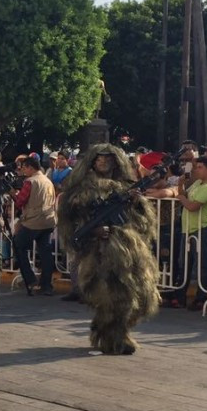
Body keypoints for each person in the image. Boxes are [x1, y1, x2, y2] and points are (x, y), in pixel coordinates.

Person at [57, 144, 159, 355]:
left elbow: (144, 222)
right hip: (99, 251)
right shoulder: (81, 189)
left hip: (128, 250)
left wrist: (136, 202)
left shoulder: (125, 187)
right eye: (99, 159)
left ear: (116, 162)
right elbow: (71, 221)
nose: (103, 162)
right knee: (108, 297)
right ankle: (109, 337)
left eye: (108, 159)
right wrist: (93, 231)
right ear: (92, 162)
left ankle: (118, 334)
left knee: (136, 297)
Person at [172, 156, 207, 310]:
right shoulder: (199, 183)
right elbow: (186, 196)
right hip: (189, 228)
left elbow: (192, 206)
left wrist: (180, 198)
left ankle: (201, 298)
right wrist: (180, 185)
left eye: (200, 167)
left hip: (203, 229)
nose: (196, 170)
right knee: (183, 264)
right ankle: (180, 297)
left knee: (202, 265)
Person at [11, 156, 57, 295]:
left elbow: (20, 201)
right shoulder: (47, 181)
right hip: (48, 221)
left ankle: (31, 281)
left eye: (24, 167)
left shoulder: (30, 182)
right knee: (45, 252)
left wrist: (12, 193)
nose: (23, 170)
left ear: (31, 167)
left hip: (33, 221)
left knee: (18, 245)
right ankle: (46, 286)